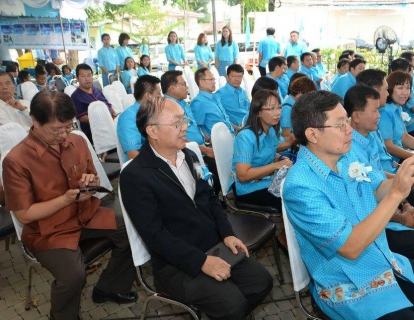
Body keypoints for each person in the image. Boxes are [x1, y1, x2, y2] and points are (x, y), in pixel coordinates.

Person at [283, 90, 414, 320]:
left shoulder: (344, 158)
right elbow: (351, 247)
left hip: (377, 256)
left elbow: (376, 189)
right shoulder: (300, 185)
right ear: (313, 134)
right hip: (345, 280)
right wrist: (396, 193)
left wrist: (406, 176)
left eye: (347, 120)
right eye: (340, 124)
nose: (349, 130)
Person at [119, 96, 273, 320]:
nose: (185, 128)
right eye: (176, 123)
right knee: (232, 304)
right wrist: (201, 262)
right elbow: (155, 236)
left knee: (261, 282)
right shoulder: (136, 175)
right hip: (176, 264)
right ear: (152, 131)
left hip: (212, 246)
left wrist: (227, 234)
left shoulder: (190, 156)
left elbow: (210, 199)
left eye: (184, 121)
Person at [2, 91, 137, 320]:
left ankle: (109, 288)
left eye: (68, 126)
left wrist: (91, 184)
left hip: (83, 214)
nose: (64, 134)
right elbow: (24, 215)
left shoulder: (76, 141)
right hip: (47, 230)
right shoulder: (17, 161)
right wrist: (65, 199)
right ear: (35, 120)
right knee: (74, 276)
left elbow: (92, 178)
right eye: (56, 130)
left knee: (132, 229)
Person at [344, 84, 414, 268]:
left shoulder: (368, 137)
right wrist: (401, 216)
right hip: (372, 223)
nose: (379, 115)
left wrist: (404, 204)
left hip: (386, 206)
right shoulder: (347, 154)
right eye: (340, 124)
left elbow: (379, 178)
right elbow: (365, 207)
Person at [355, 69, 414, 219]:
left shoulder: (381, 114)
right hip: (386, 178)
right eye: (387, 89)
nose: (388, 93)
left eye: (408, 87)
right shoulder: (373, 121)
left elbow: (401, 138)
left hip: (391, 171)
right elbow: (378, 165)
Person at [233, 89, 292, 249]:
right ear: (258, 112)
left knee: (298, 189)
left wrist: (281, 159)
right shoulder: (246, 136)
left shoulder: (270, 130)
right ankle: (284, 240)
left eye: (279, 107)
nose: (277, 112)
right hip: (248, 189)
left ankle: (288, 238)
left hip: (266, 181)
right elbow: (243, 175)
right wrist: (276, 166)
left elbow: (270, 153)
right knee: (292, 198)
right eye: (271, 108)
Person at [161, 70, 220, 194]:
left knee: (222, 160)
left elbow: (196, 126)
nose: (187, 87)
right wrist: (205, 150)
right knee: (217, 168)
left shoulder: (182, 103)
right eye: (183, 84)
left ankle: (212, 199)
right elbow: (176, 137)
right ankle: (207, 201)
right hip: (185, 152)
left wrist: (209, 139)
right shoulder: (167, 107)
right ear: (172, 87)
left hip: (200, 147)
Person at [117, 75, 161, 161]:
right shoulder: (128, 118)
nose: (161, 97)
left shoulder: (156, 112)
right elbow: (133, 154)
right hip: (146, 167)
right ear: (148, 96)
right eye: (159, 93)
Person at [71, 64, 117, 142]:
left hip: (109, 125)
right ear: (77, 79)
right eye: (83, 76)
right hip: (94, 131)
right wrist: (104, 122)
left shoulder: (97, 90)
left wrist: (115, 117)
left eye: (89, 75)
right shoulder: (75, 96)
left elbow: (109, 105)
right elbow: (82, 118)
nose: (87, 79)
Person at [190, 67, 234, 138]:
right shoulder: (198, 102)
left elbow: (224, 120)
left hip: (231, 135)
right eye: (211, 79)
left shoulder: (215, 97)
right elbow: (197, 128)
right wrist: (209, 141)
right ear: (202, 82)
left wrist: (236, 128)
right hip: (219, 142)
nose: (214, 82)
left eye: (214, 79)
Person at [280, 75, 316, 145]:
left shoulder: (296, 104)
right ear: (299, 91)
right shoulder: (287, 108)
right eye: (307, 95)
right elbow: (286, 136)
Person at [214, 64, 250, 132]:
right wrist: (236, 128)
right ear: (227, 77)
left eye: (239, 76)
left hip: (250, 124)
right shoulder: (219, 95)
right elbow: (221, 117)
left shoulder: (243, 92)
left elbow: (250, 109)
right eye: (233, 76)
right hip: (237, 129)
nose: (236, 79)